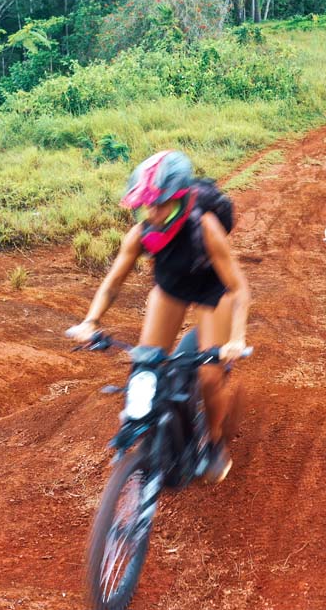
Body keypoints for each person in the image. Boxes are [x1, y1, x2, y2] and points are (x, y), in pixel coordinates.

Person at [66, 150, 250, 484]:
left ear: (180, 200)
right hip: (171, 290)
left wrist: (236, 339)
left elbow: (238, 288)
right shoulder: (140, 234)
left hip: (212, 292)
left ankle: (212, 442)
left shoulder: (205, 228)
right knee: (145, 365)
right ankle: (151, 434)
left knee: (209, 376)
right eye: (146, 205)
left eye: (161, 203)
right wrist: (91, 321)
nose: (152, 212)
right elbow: (112, 284)